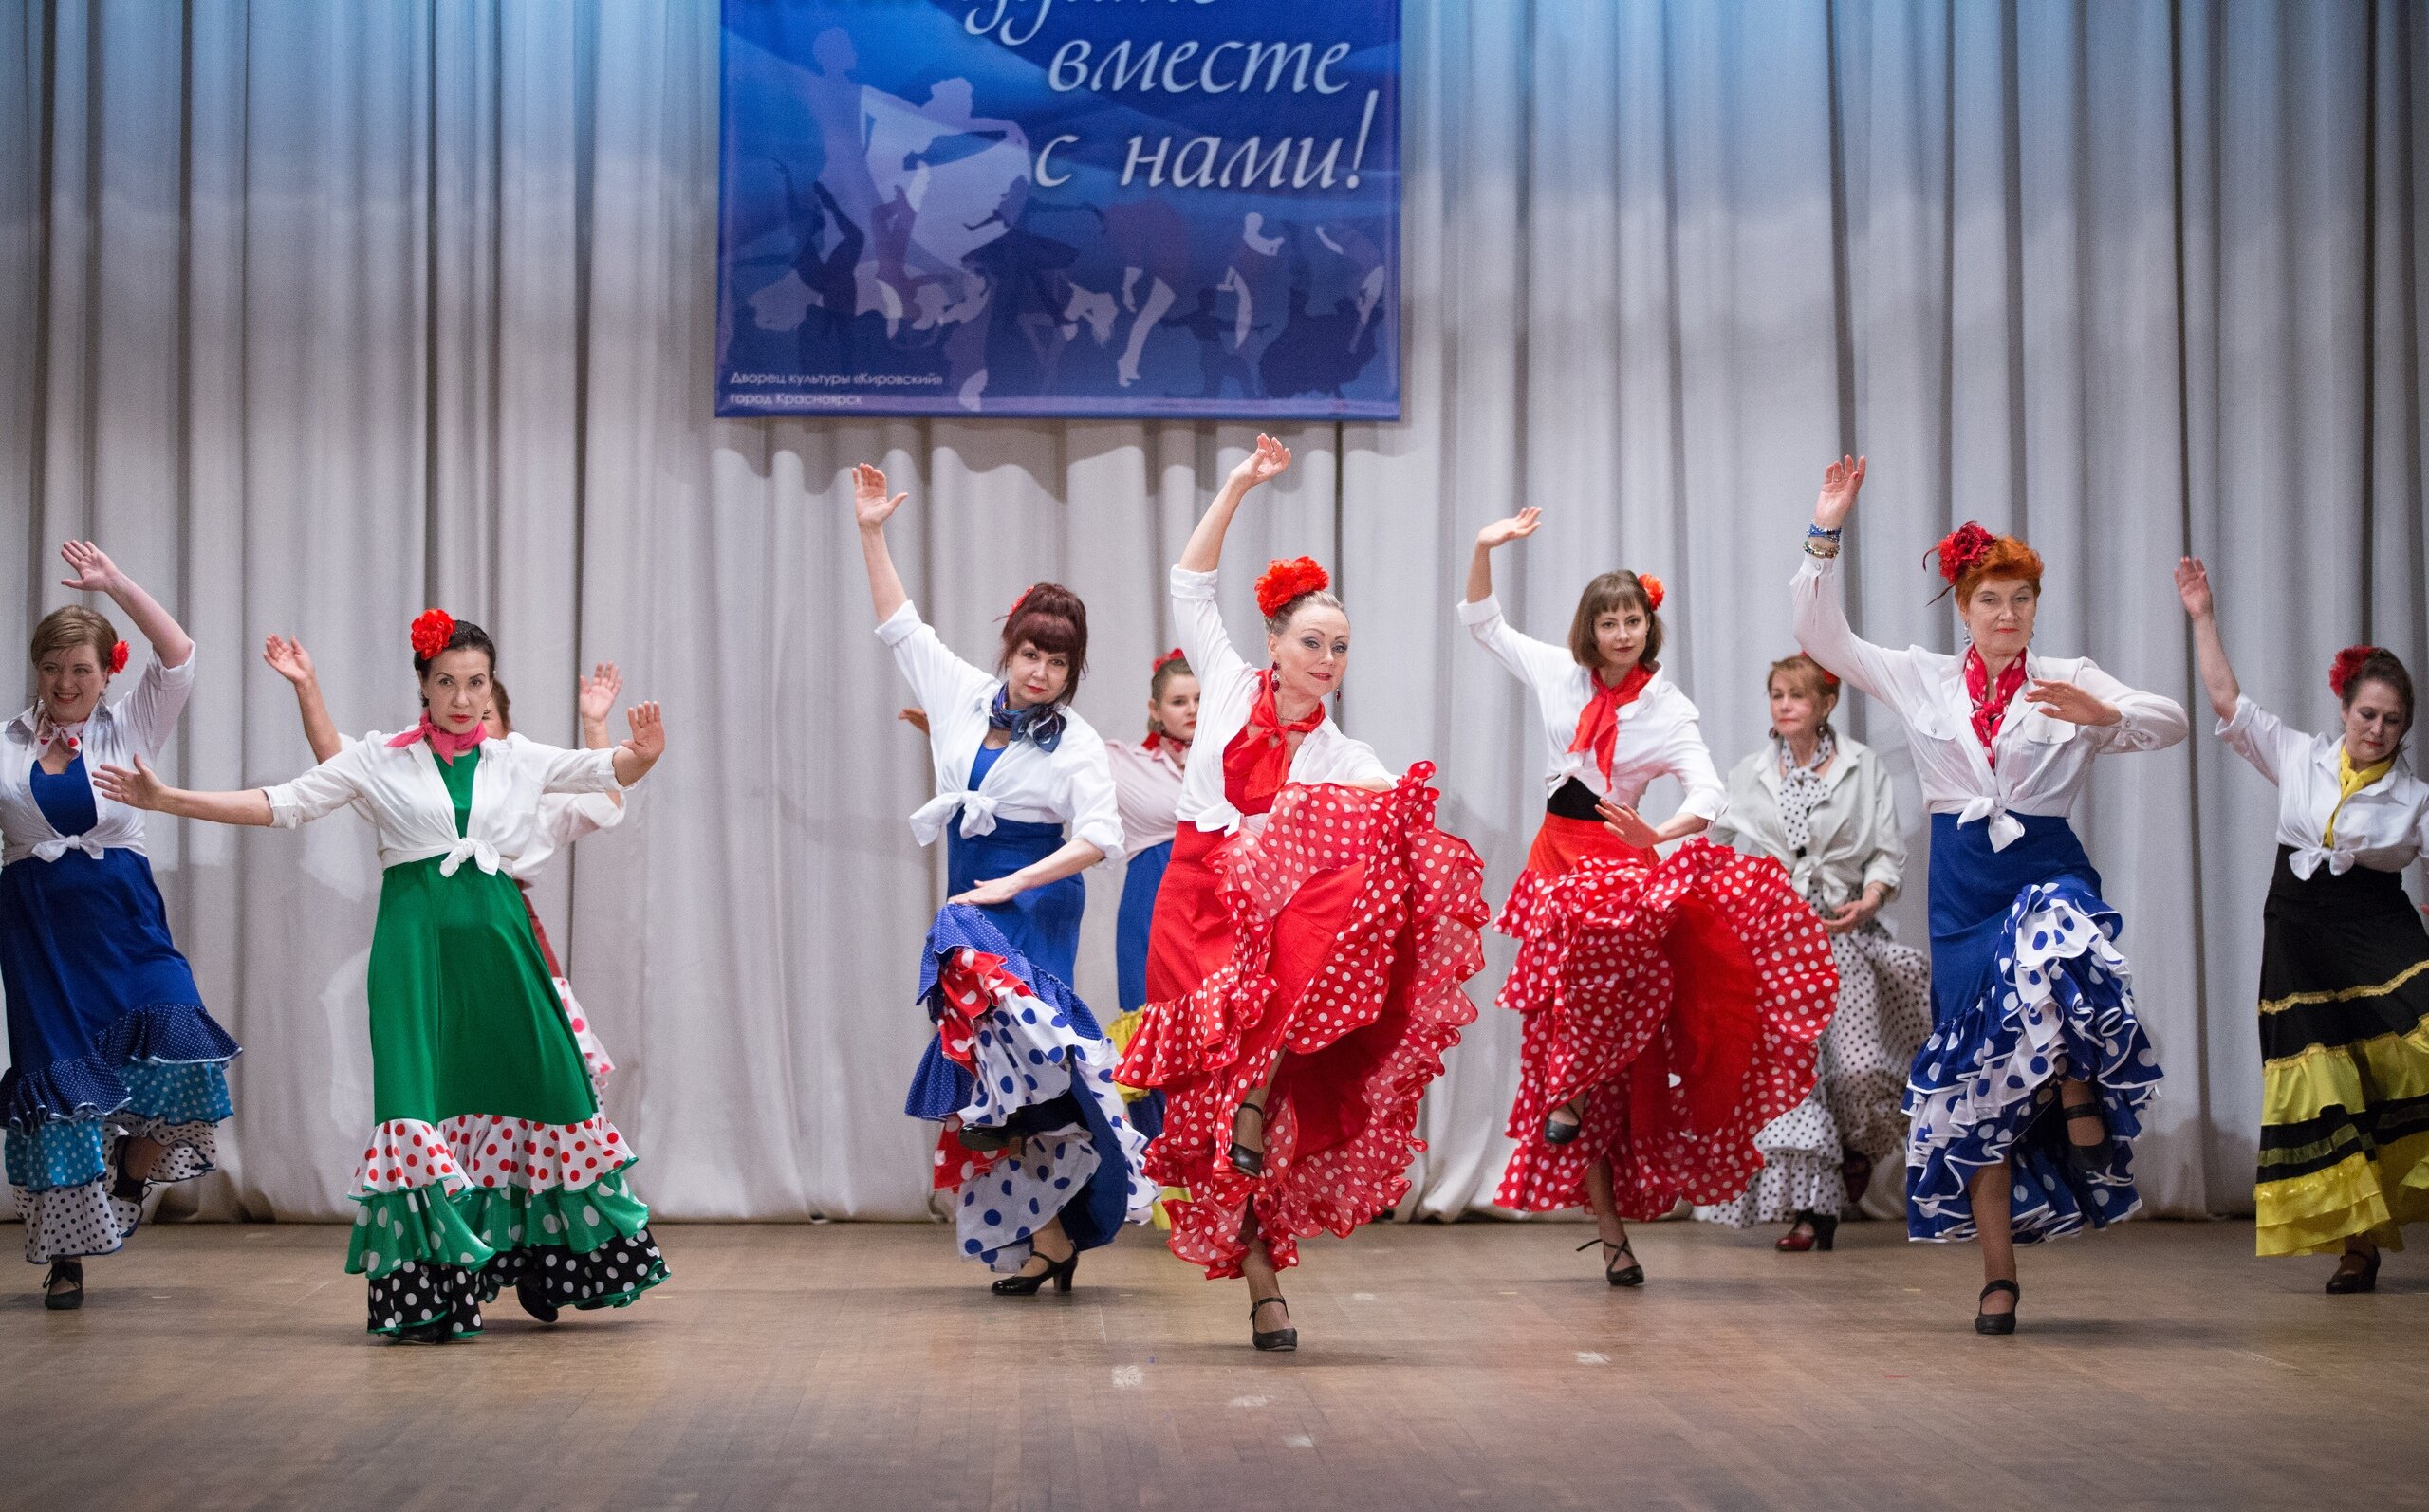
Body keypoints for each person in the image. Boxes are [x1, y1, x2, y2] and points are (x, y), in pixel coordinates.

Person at [95, 609, 669, 1341]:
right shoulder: (379, 758)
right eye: (447, 682)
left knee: (550, 1092)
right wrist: (169, 799)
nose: (463, 698)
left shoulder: (516, 757)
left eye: (476, 683)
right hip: (413, 956)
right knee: (415, 1106)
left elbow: (606, 772)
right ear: (423, 685)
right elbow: (284, 803)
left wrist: (641, 755)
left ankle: (542, 1263)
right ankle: (431, 1293)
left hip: (504, 954)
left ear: (491, 686)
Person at [1793, 456, 2187, 1333]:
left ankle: (2076, 1083)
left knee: (2062, 945)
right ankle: (1998, 1278)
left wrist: (2105, 715)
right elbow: (1823, 637)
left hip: (2045, 864)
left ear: (2037, 608)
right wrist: (1825, 529)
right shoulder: (1922, 676)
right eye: (1990, 601)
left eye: (2021, 600)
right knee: (1977, 1091)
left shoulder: (2070, 675)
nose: (2007, 615)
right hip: (1962, 892)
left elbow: (2172, 720)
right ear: (1964, 609)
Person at [1119, 434, 1490, 1351]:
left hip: (1261, 928)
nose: (1328, 659)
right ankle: (1261, 1283)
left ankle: (1262, 1123)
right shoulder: (1225, 681)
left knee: (1356, 882)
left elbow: (1385, 797)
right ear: (1275, 645)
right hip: (1191, 909)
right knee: (1211, 1109)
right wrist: (1239, 484)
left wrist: (1398, 808)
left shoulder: (1336, 750)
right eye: (1313, 642)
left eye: (1341, 648)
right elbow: (1190, 581)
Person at [1461, 511, 1837, 1287]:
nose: (1622, 633)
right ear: (1590, 628)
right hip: (1553, 860)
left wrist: (1655, 833)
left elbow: (1709, 791)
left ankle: (1574, 1092)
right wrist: (1484, 547)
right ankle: (1608, 1229)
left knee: (1612, 1044)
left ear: (1648, 625)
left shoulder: (1664, 705)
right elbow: (1482, 623)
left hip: (1617, 868)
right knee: (1566, 1026)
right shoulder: (1558, 673)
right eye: (1609, 621)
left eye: (1632, 620)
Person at [851, 462, 1152, 1294]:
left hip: (1033, 897)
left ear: (1073, 670)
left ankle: (1075, 1171)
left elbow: (1100, 837)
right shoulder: (962, 694)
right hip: (974, 885)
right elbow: (901, 626)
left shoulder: (1076, 742)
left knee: (1019, 1051)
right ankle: (1052, 1238)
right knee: (999, 1075)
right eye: (1030, 654)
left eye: (1057, 662)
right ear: (1009, 651)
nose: (1040, 672)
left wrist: (1014, 887)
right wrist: (871, 532)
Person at [2178, 557, 2429, 1291]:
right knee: (2326, 1088)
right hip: (2298, 938)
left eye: (2391, 720)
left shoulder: (2415, 799)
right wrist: (2202, 616)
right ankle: (2358, 1246)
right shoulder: (2300, 757)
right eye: (2367, 714)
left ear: (2405, 727)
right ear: (2344, 709)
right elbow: (2226, 700)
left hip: (2377, 935)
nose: (2376, 729)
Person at [1, 542, 239, 1311]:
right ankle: (67, 1257)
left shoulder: (130, 725)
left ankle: (132, 1175)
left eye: (81, 669)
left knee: (178, 1046)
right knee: (60, 1085)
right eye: (51, 668)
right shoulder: (6, 744)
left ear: (107, 673)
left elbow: (180, 655)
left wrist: (116, 584)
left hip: (126, 922)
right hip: (40, 937)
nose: (65, 683)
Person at [264, 636, 631, 1096]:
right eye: (450, 692)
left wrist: (594, 723)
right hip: (432, 926)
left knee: (543, 1063)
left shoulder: (529, 776)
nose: (466, 711)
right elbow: (336, 759)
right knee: (447, 1063)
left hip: (506, 923)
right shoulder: (414, 783)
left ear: (505, 726)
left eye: (485, 711)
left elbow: (604, 805)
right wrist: (307, 686)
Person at [1698, 655, 1932, 1250]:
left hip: (1843, 936)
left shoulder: (1862, 767)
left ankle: (1855, 1147)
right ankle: (1812, 1213)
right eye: (1776, 694)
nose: (1784, 705)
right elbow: (1712, 844)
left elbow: (1886, 851)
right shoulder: (1749, 773)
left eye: (1797, 695)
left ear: (1826, 704)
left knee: (1856, 1069)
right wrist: (1733, 898)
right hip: (1776, 945)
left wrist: (1870, 899)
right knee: (1796, 1078)